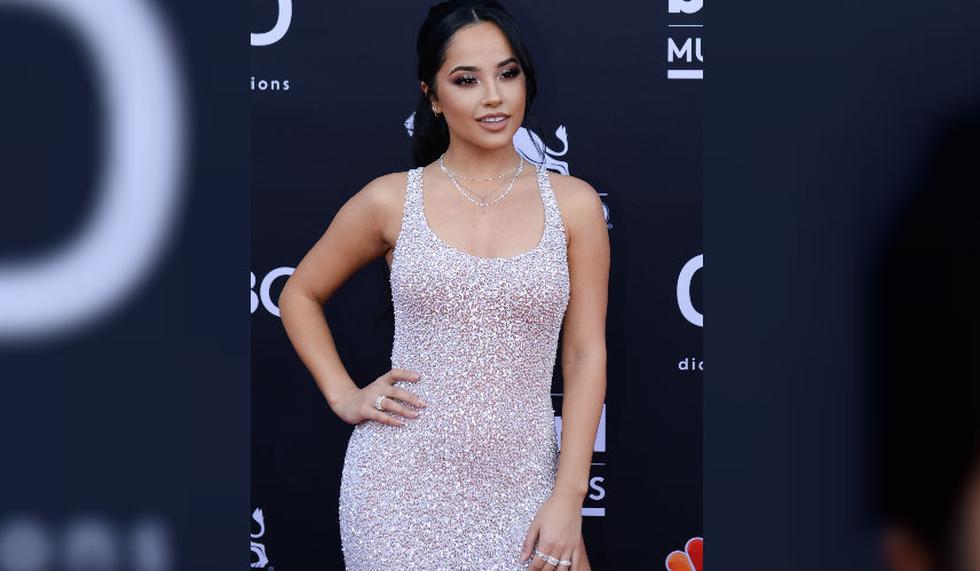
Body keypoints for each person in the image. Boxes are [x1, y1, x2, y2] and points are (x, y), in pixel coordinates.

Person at [277, 1, 609, 569]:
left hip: (526, 485)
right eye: (466, 80)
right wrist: (345, 394)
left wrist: (568, 495)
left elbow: (583, 354)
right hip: (397, 490)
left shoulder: (574, 204)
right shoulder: (389, 200)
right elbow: (298, 295)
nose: (494, 96)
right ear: (432, 94)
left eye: (508, 73)